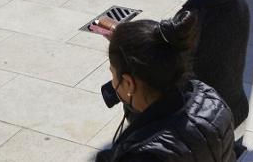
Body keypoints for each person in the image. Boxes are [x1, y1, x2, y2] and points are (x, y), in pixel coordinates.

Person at [96, 11, 235, 162]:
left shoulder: (140, 155)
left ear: (129, 83)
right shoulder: (213, 101)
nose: (114, 83)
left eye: (113, 74)